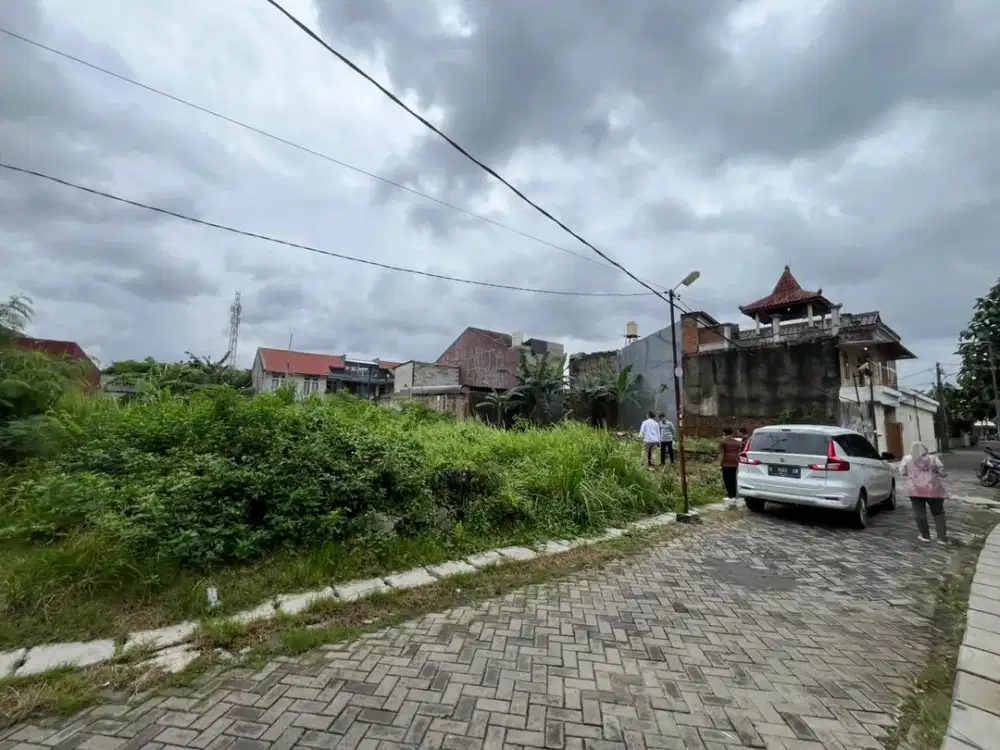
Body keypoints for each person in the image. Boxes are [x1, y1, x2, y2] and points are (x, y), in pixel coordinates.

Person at [898, 441, 948, 544]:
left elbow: (902, 472)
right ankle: (941, 538)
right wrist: (941, 474)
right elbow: (941, 472)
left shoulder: (907, 459)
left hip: (915, 491)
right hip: (933, 489)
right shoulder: (933, 458)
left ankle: (925, 536)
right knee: (938, 513)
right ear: (925, 449)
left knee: (919, 513)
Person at [719, 427, 741, 506]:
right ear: (732, 433)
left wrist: (720, 464)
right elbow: (738, 453)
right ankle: (734, 496)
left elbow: (722, 454)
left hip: (726, 463)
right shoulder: (737, 442)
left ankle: (730, 496)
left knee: (727, 480)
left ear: (724, 433)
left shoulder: (723, 442)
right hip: (735, 463)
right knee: (733, 479)